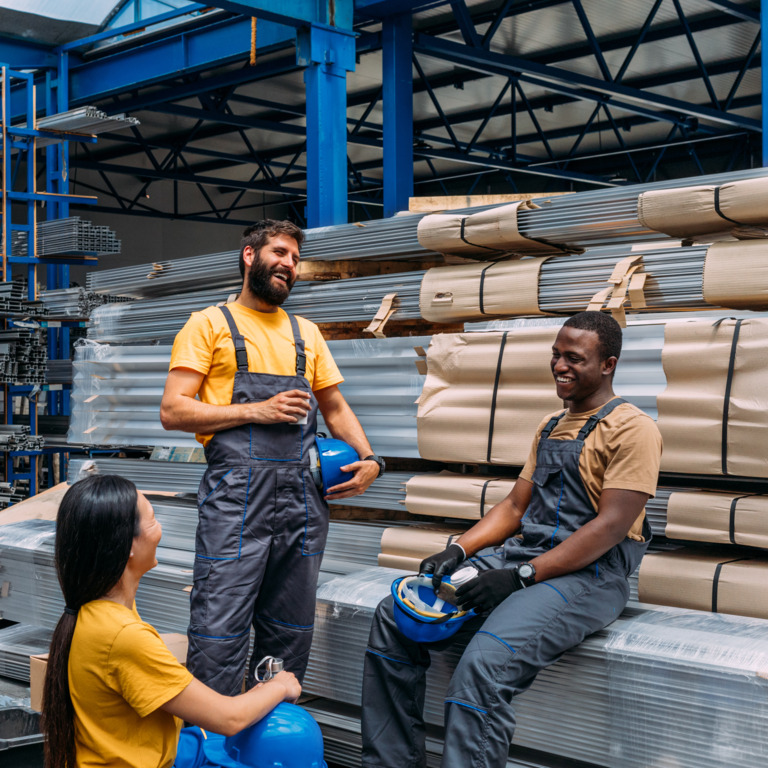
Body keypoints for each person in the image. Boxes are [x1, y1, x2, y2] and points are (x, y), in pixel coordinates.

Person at [361, 311, 663, 768]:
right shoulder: (549, 426)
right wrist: (459, 549)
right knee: (394, 618)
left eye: (574, 358)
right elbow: (515, 508)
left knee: (485, 668)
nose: (560, 366)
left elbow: (609, 528)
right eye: (556, 356)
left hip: (591, 575)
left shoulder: (633, 429)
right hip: (525, 560)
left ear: (608, 364)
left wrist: (520, 577)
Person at [160, 219, 383, 695]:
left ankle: (271, 738)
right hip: (237, 497)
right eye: (279, 252)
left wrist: (371, 460)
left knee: (291, 627)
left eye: (296, 259)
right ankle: (212, 742)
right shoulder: (209, 325)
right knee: (220, 623)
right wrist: (255, 410)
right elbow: (173, 410)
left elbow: (336, 408)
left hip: (303, 502)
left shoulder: (306, 333)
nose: (288, 264)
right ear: (250, 256)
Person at [41, 474, 302, 768]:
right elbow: (230, 718)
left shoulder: (95, 609)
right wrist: (279, 686)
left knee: (201, 742)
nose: (160, 529)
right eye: (152, 520)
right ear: (126, 545)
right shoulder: (123, 635)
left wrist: (257, 694)